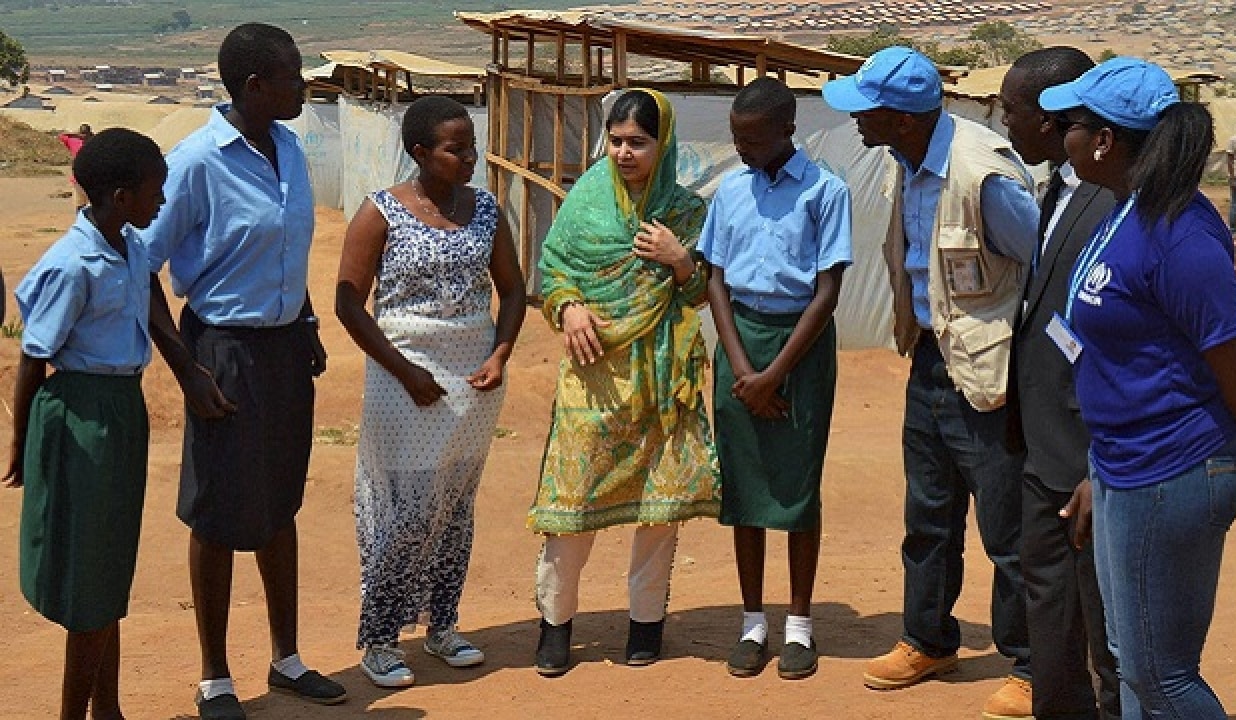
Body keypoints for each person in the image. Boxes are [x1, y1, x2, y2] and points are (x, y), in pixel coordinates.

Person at [1039, 56, 1236, 719]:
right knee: (1134, 661)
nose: (1061, 135)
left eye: (1070, 124)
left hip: (1177, 465)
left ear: (1105, 141)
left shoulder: (1178, 234)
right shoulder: (1125, 211)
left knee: (1164, 675)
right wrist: (1099, 469)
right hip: (1123, 463)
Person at [823, 46, 1037, 719]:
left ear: (902, 117)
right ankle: (928, 639)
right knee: (930, 515)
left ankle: (1033, 665)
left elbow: (1045, 271)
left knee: (1009, 529)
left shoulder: (983, 174)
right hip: (930, 363)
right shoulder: (904, 162)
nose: (855, 122)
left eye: (865, 110)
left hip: (992, 376)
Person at [139, 23, 345, 719]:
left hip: (286, 350)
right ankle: (215, 677)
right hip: (222, 351)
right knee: (220, 512)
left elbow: (285, 247)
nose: (304, 85)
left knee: (279, 502)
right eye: (292, 75)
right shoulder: (196, 162)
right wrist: (188, 371)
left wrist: (307, 318)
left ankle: (286, 659)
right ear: (256, 87)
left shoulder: (289, 147)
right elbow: (143, 269)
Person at [335, 96, 525, 688]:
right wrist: (405, 370)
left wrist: (499, 354)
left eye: (472, 146)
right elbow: (348, 303)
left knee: (454, 506)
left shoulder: (489, 211)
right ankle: (382, 638)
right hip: (403, 378)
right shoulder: (380, 213)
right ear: (420, 152)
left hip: (474, 381)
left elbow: (514, 292)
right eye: (455, 148)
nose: (469, 157)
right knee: (407, 509)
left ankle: (442, 626)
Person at [530, 88, 720, 677]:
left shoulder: (686, 213)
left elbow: (701, 293)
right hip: (594, 381)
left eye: (638, 142)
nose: (624, 153)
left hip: (663, 382)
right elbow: (554, 270)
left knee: (659, 512)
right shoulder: (585, 200)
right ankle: (554, 627)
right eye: (615, 141)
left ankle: (646, 626)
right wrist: (569, 309)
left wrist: (679, 258)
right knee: (572, 503)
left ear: (663, 145)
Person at [5, 128, 167, 720]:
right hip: (80, 416)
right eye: (156, 192)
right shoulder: (73, 263)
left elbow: (151, 308)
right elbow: (33, 357)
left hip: (122, 409)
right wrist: (22, 444)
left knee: (108, 570)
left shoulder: (131, 245)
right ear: (121, 197)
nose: (163, 203)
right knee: (91, 582)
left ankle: (110, 710)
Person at [698, 77, 852, 681]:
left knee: (796, 486)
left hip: (801, 349)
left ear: (787, 130)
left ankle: (800, 627)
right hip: (740, 345)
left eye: (752, 138)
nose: (740, 148)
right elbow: (713, 278)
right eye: (736, 137)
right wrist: (742, 369)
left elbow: (828, 291)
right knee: (745, 487)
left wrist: (775, 374)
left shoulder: (825, 191)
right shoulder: (731, 191)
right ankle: (752, 623)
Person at [999, 47, 1121, 720]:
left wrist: (1098, 459)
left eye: (1013, 110)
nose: (1004, 121)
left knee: (1106, 632)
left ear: (1052, 120)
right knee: (1051, 617)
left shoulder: (1113, 202)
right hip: (1043, 446)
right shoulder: (1055, 187)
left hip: (1090, 453)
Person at [57, 123, 94, 210]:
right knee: (80, 204)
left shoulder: (93, 143)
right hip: (78, 178)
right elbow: (61, 136)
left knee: (92, 204)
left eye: (86, 134)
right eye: (82, 133)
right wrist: (75, 134)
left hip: (92, 179)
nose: (84, 136)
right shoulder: (74, 141)